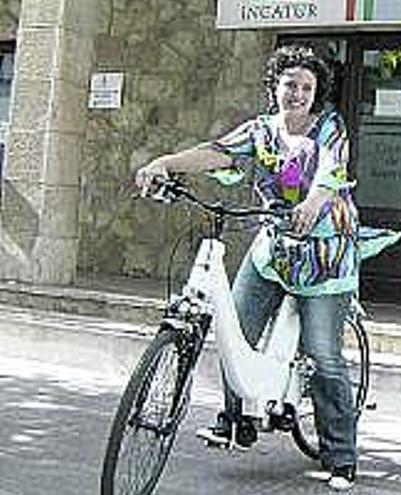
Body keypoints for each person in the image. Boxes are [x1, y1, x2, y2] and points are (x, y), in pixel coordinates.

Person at [134, 44, 360, 491]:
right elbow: (218, 153)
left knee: (322, 355)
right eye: (289, 84)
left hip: (325, 254)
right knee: (234, 327)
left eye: (306, 87)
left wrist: (314, 202)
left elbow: (331, 172)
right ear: (275, 87)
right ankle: (237, 420)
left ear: (316, 93)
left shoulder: (329, 128)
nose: (297, 93)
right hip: (275, 247)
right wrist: (165, 163)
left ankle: (340, 455)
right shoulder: (261, 131)